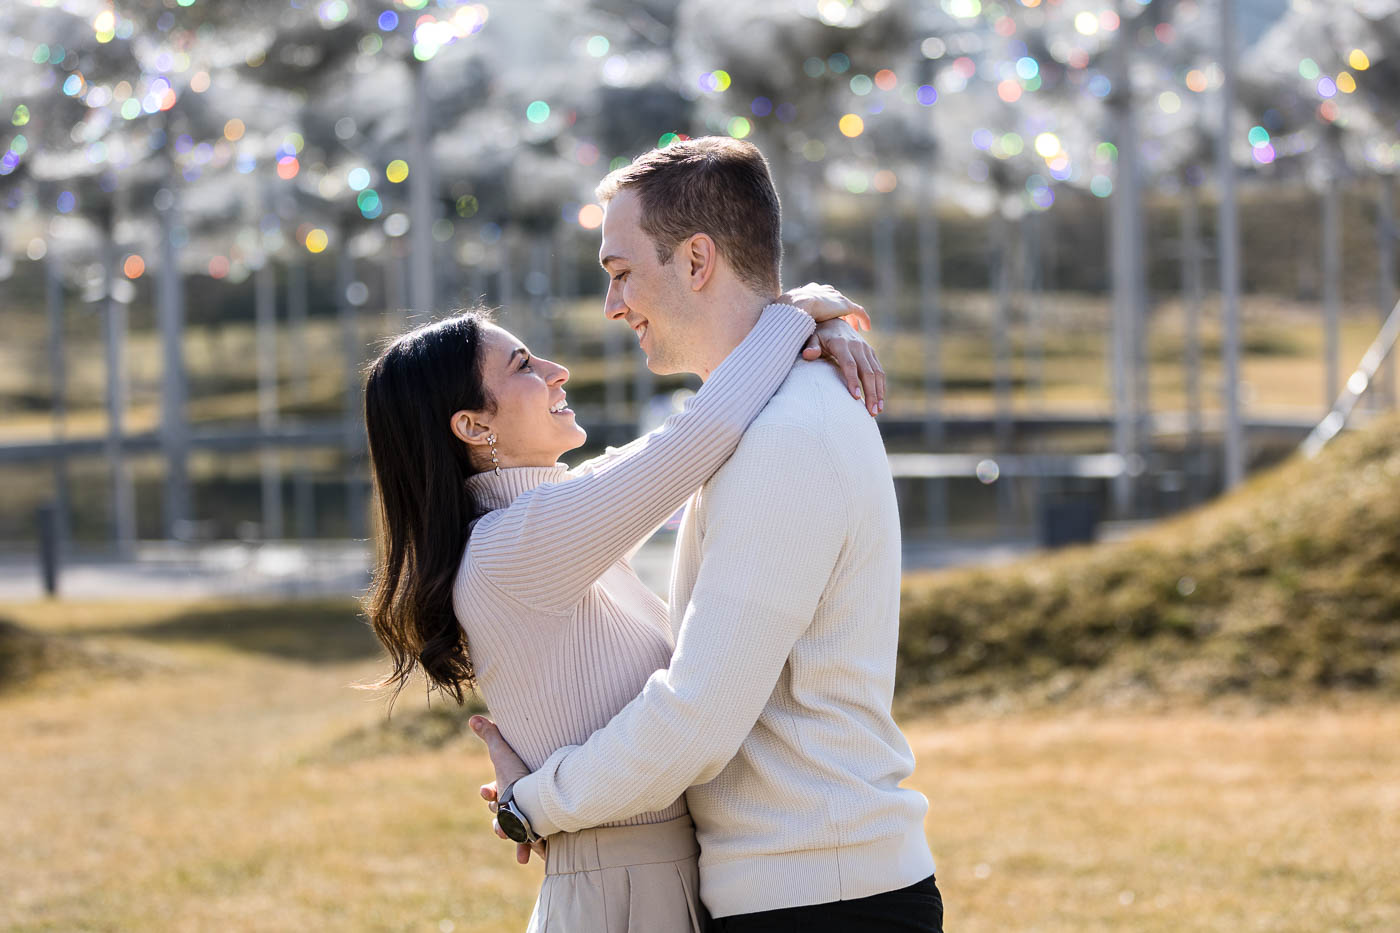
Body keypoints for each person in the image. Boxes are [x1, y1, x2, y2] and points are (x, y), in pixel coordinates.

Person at [471, 136, 942, 933]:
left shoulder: (787, 433)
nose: (613, 306)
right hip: (803, 888)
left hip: (820, 898)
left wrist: (533, 800)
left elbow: (697, 718)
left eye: (621, 273)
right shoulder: (762, 417)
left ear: (696, 261)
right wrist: (799, 311)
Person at [362, 248, 881, 926]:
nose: (556, 370)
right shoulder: (518, 546)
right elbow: (703, 432)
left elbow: (688, 438)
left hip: (647, 875)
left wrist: (819, 321)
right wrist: (797, 319)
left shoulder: (543, 527)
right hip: (627, 890)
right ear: (473, 425)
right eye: (524, 366)